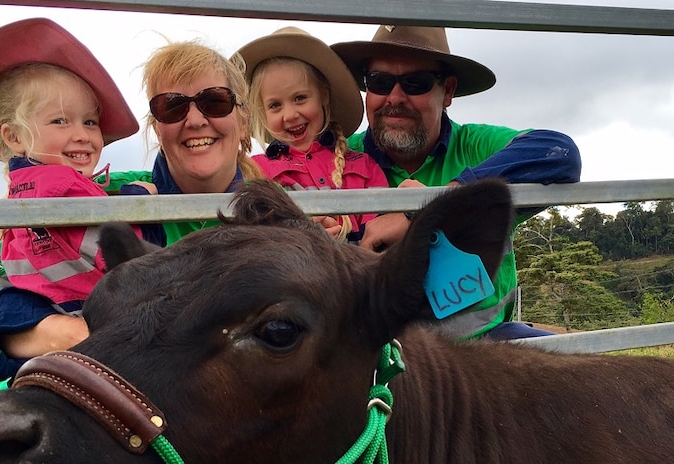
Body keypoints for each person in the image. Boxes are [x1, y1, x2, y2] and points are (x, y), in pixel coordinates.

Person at [0, 33, 261, 382]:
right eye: (172, 106)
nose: (195, 119)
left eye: (215, 102)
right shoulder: (94, 194)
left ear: (244, 119)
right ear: (158, 128)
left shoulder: (280, 213)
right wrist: (58, 332)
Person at [331, 25, 582, 341]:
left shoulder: (476, 147)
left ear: (447, 91)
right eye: (379, 82)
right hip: (374, 351)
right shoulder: (340, 161)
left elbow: (560, 154)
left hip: (482, 350)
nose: (394, 97)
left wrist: (429, 211)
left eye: (415, 83)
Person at [0, 18, 145, 380]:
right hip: (79, 308)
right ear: (15, 136)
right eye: (61, 121)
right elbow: (118, 246)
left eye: (90, 123)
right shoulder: (64, 184)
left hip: (37, 307)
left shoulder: (22, 188)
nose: (82, 135)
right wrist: (138, 198)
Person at [236, 26, 388, 243]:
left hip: (359, 270)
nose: (289, 115)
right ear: (262, 112)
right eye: (275, 105)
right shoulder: (256, 173)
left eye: (299, 98)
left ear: (323, 96)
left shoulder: (364, 166)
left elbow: (380, 234)